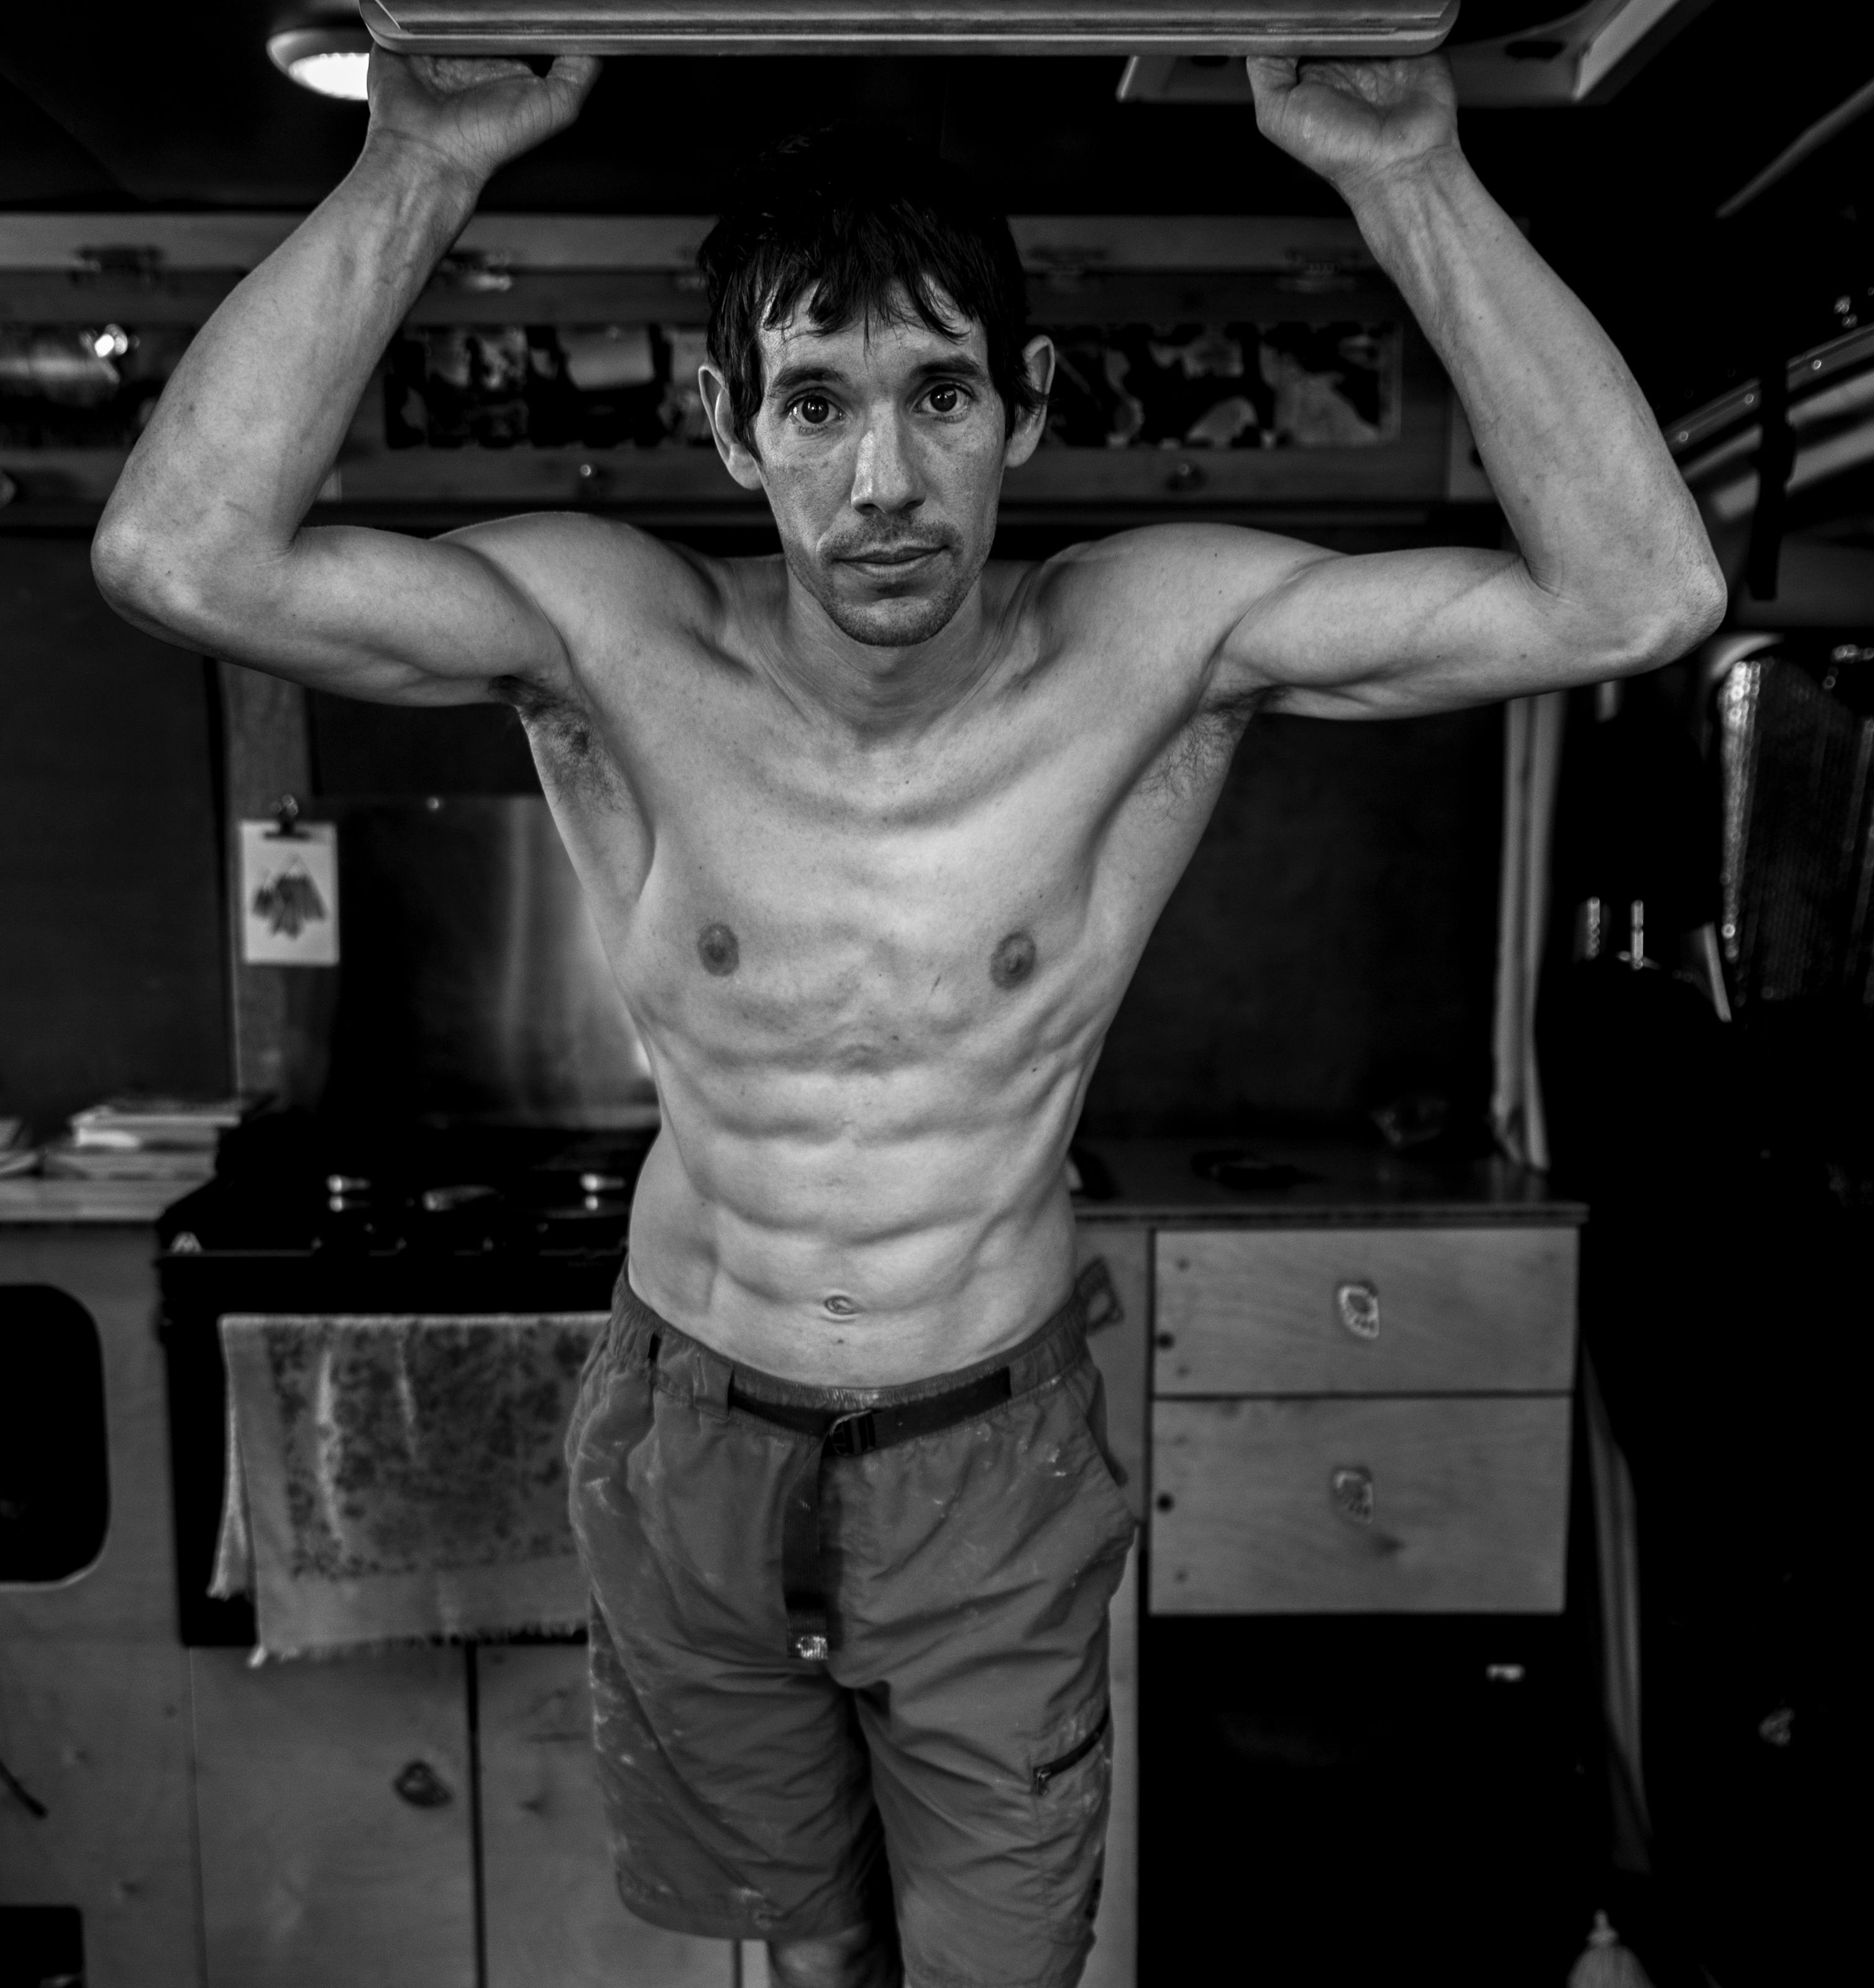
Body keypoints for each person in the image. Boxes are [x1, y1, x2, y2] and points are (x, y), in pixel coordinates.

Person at [92, 45, 1725, 1988]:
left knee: (993, 1973)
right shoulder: (613, 641)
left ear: (1024, 403)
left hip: (984, 1454)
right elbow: (179, 555)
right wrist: (420, 160)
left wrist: (1413, 174)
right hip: (691, 1433)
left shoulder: (1151, 640)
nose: (884, 481)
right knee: (805, 1962)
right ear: (732, 428)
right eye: (817, 402)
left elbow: (1638, 597)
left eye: (938, 393)